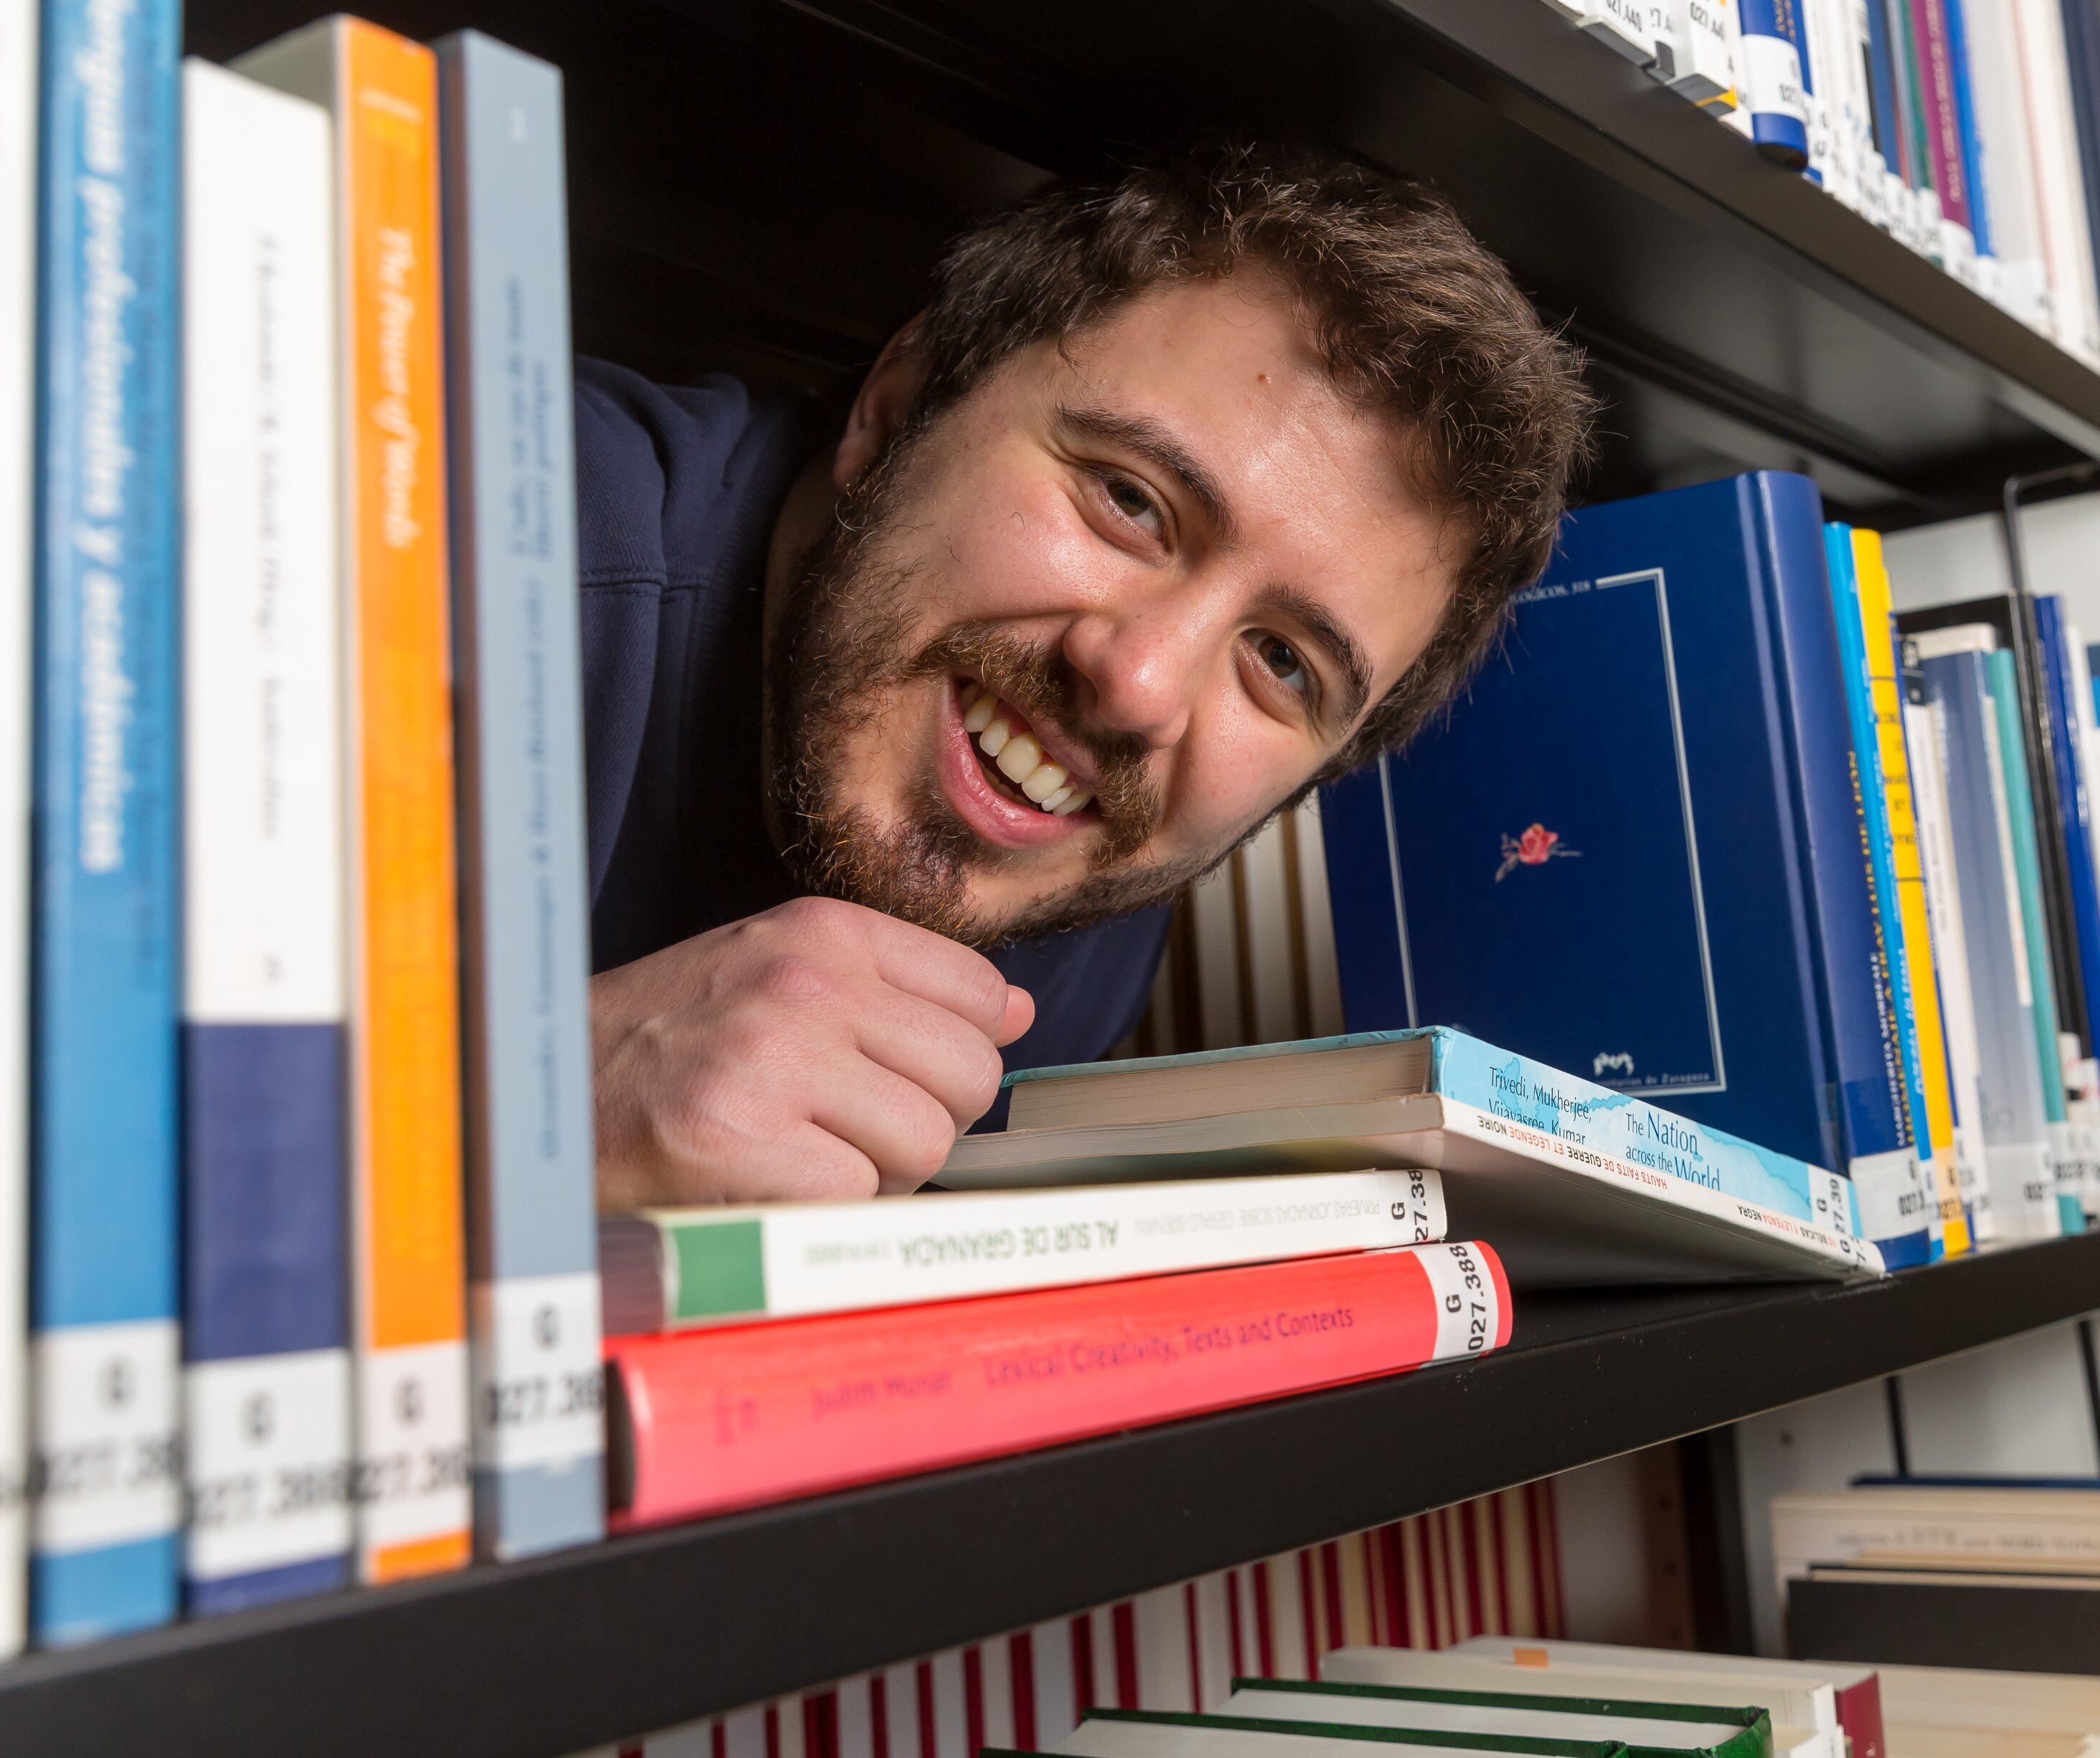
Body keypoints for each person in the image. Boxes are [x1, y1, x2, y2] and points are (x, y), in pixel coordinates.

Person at [577, 143, 1594, 1209]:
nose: (1142, 687)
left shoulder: (1076, 891)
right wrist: (523, 1121)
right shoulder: (458, 548)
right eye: (1132, 501)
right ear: (899, 399)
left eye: (1282, 663)